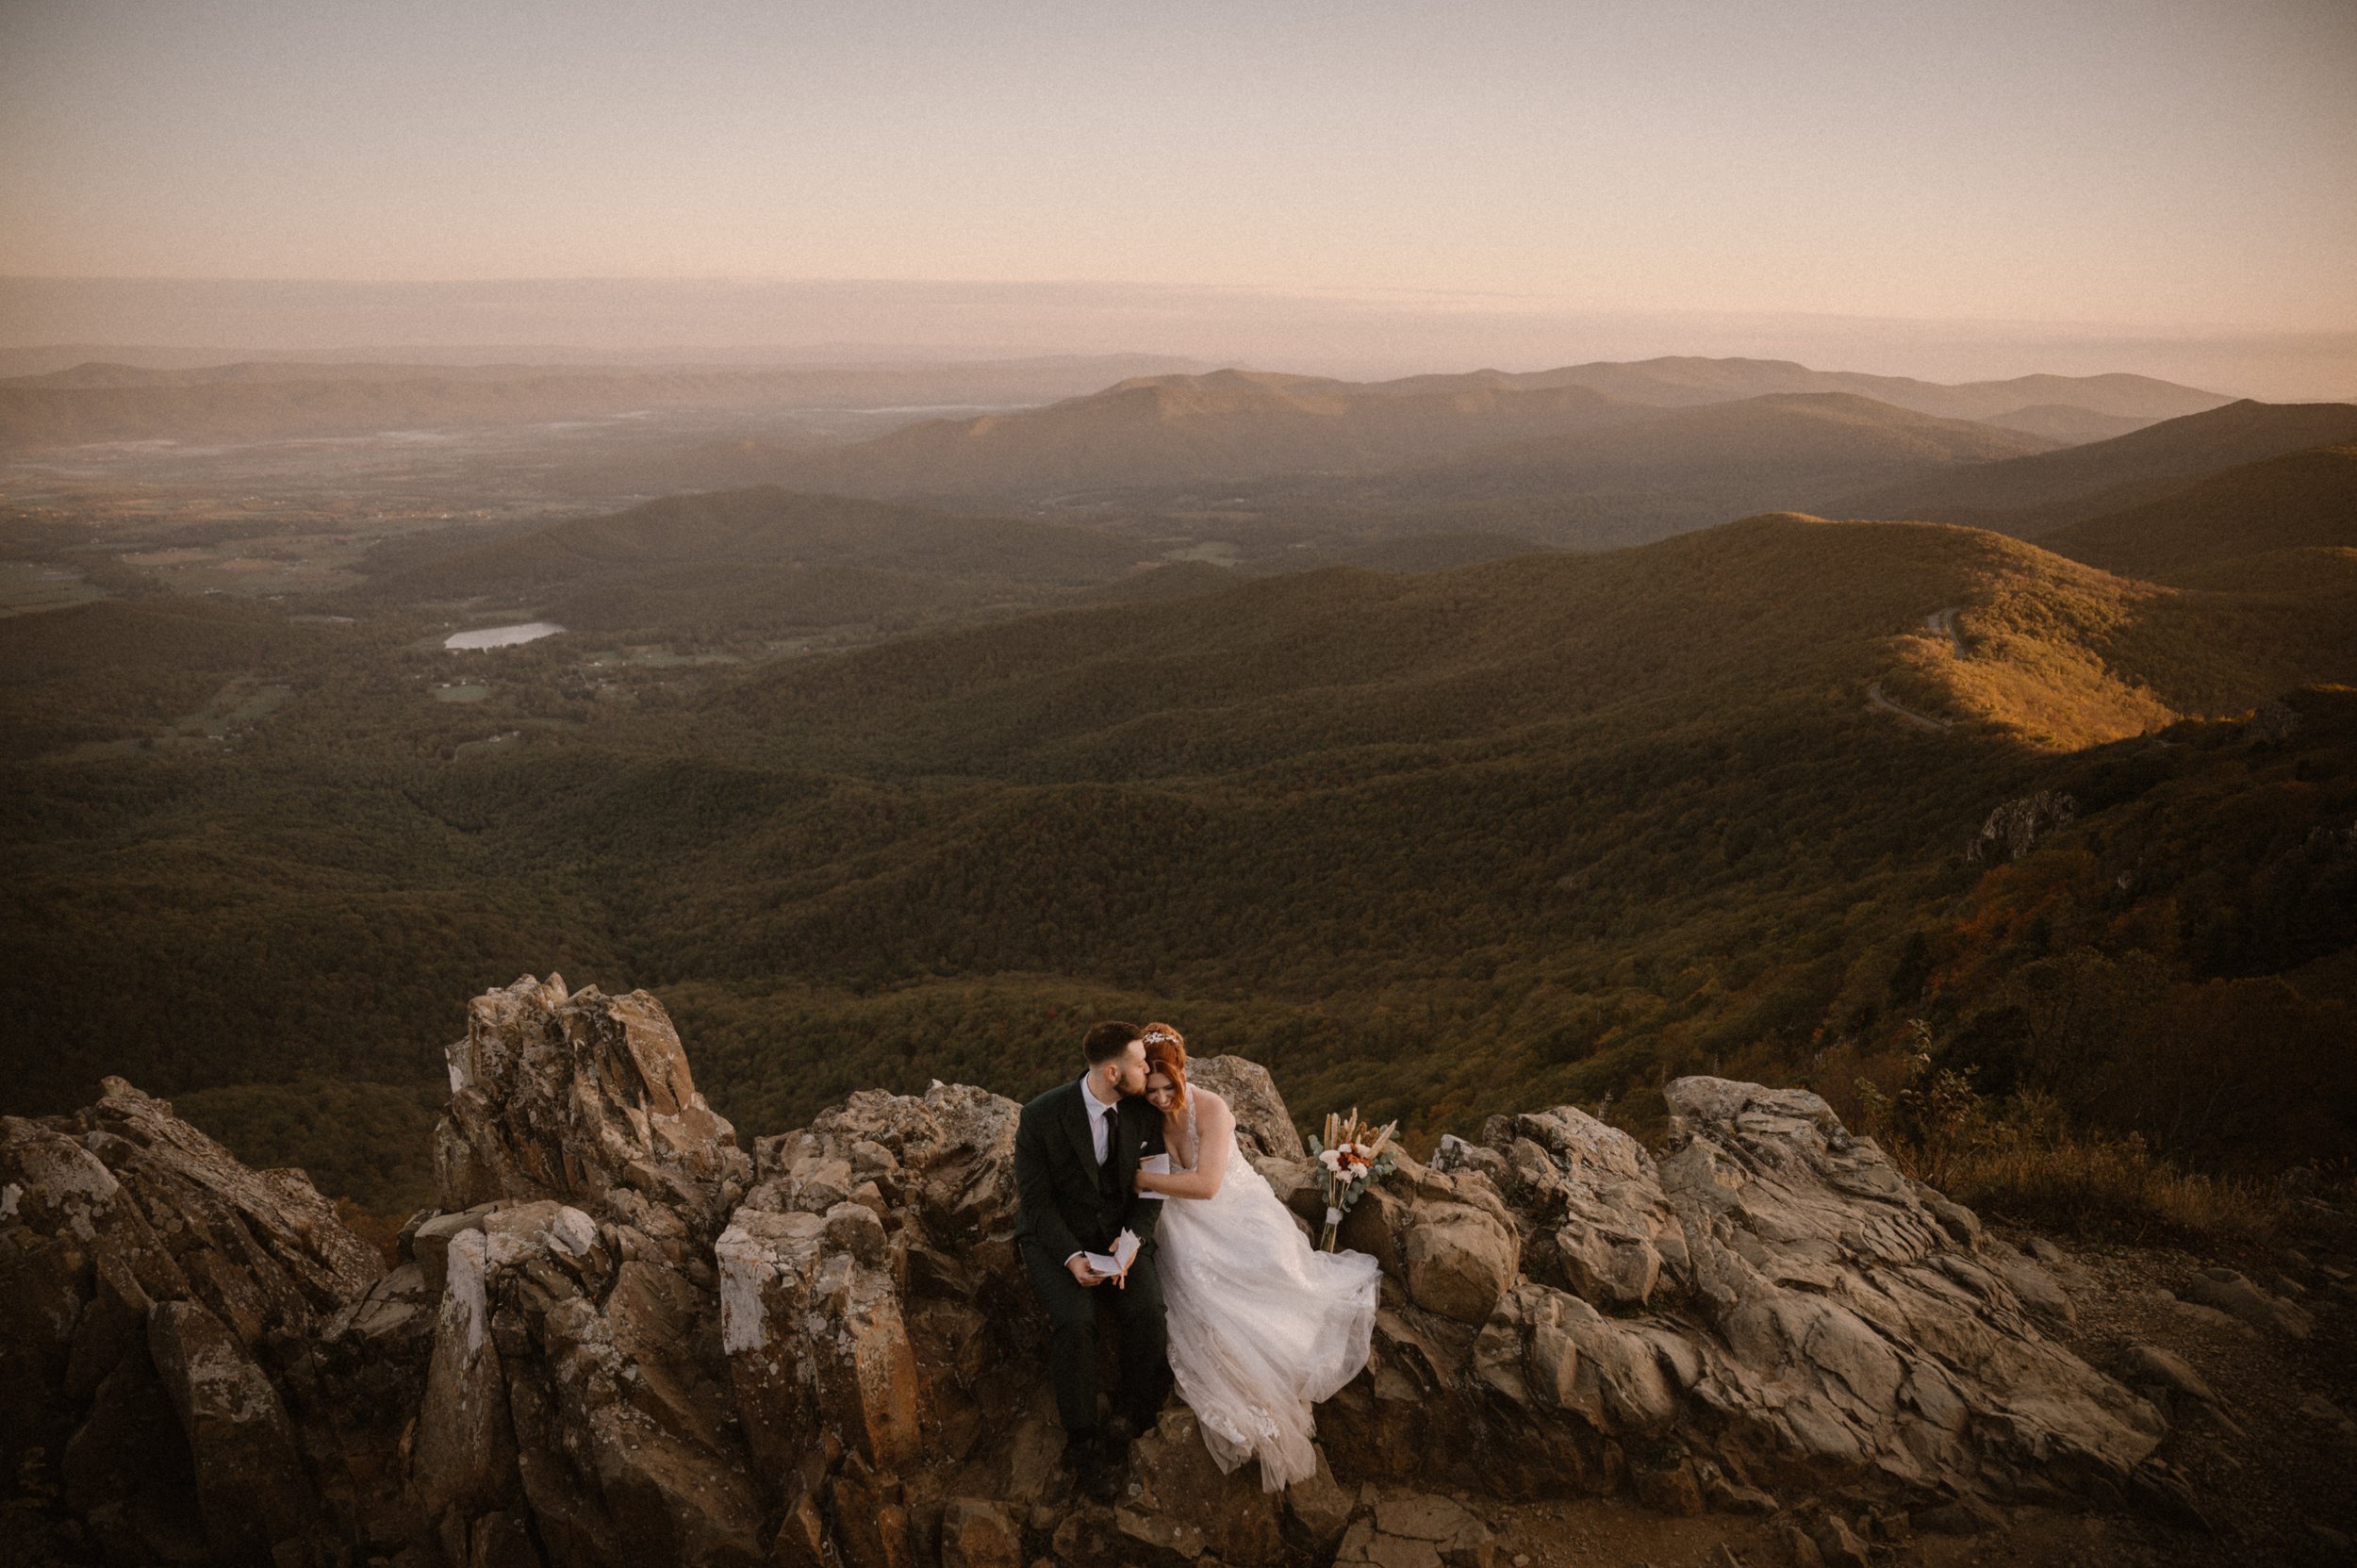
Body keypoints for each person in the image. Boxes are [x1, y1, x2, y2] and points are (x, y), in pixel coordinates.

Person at [1131, 1023, 1380, 1491]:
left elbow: (1206, 1185)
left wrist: (1144, 1182)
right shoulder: (1145, 1115)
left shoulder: (1212, 1108)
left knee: (1275, 1270)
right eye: (1152, 1091)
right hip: (1182, 1220)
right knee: (1193, 1283)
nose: (1162, 1099)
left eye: (1169, 1088)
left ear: (1184, 1073)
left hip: (1234, 1207)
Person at [1014, 1020, 1171, 1502]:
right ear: (1111, 1072)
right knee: (1075, 1322)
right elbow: (1036, 1204)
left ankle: (1136, 1414)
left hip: (1120, 1235)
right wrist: (1071, 1257)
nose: (1148, 1069)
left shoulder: (1144, 1115)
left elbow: (1151, 1190)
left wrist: (1133, 1244)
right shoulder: (1041, 1116)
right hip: (1056, 1238)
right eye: (1140, 1064)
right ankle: (1082, 1439)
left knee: (1148, 1311)